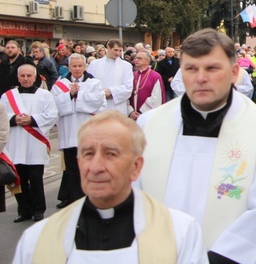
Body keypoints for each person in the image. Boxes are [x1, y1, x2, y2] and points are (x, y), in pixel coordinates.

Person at [136, 28, 256, 263]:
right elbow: (134, 198)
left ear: (233, 73)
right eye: (191, 69)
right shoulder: (149, 124)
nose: (201, 77)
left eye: (212, 68)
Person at [13, 110, 207, 263]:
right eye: (88, 153)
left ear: (136, 166)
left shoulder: (179, 233)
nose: (96, 167)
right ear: (79, 162)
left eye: (111, 154)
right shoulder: (37, 240)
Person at [2, 64, 58, 222]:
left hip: (35, 143)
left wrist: (32, 119)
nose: (26, 79)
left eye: (29, 76)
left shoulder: (45, 95)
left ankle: (38, 210)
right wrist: (14, 118)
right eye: (23, 76)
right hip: (16, 142)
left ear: (35, 77)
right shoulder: (8, 96)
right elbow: (2, 115)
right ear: (18, 77)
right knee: (19, 178)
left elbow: (52, 115)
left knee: (36, 179)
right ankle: (24, 210)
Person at [51, 53, 107, 209]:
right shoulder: (60, 84)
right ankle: (75, 199)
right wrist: (69, 94)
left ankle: (90, 197)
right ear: (69, 67)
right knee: (71, 168)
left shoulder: (93, 83)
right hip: (69, 132)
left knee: (88, 166)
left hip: (87, 131)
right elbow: (54, 105)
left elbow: (99, 102)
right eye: (74, 66)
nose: (77, 69)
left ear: (84, 66)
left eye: (79, 66)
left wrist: (79, 94)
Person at [86, 39, 134, 115]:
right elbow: (88, 84)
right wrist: (100, 94)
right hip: (99, 107)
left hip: (118, 107)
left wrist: (111, 92)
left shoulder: (126, 66)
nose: (118, 53)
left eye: (120, 51)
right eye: (115, 50)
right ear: (108, 47)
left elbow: (128, 87)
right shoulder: (94, 64)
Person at [128, 50, 166, 121]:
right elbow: (126, 94)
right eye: (136, 58)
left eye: (139, 58)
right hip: (132, 115)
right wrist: (131, 111)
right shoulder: (132, 75)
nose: (136, 60)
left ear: (147, 61)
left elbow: (156, 97)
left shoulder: (155, 76)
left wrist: (141, 113)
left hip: (147, 115)